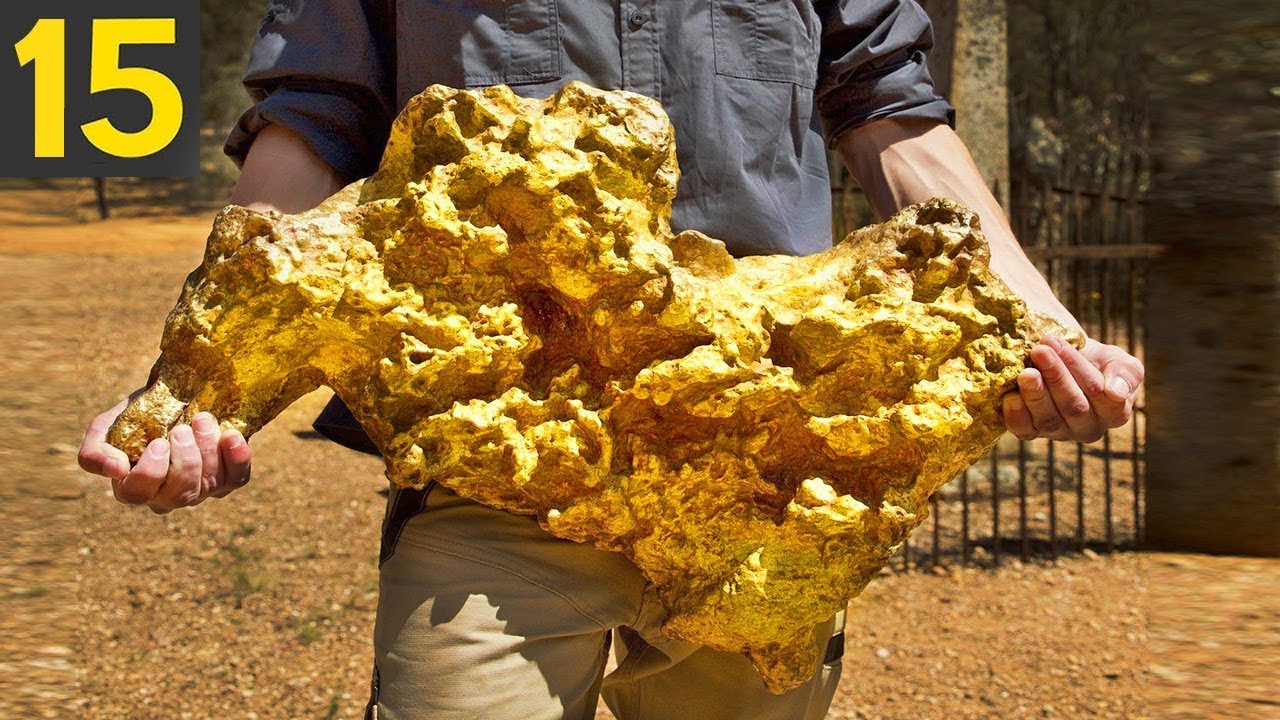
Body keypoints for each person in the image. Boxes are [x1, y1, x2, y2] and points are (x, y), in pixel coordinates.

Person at [78, 1, 1146, 718]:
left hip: (769, 471)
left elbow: (890, 110)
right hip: (502, 463)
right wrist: (194, 387)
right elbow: (313, 115)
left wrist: (1044, 328)